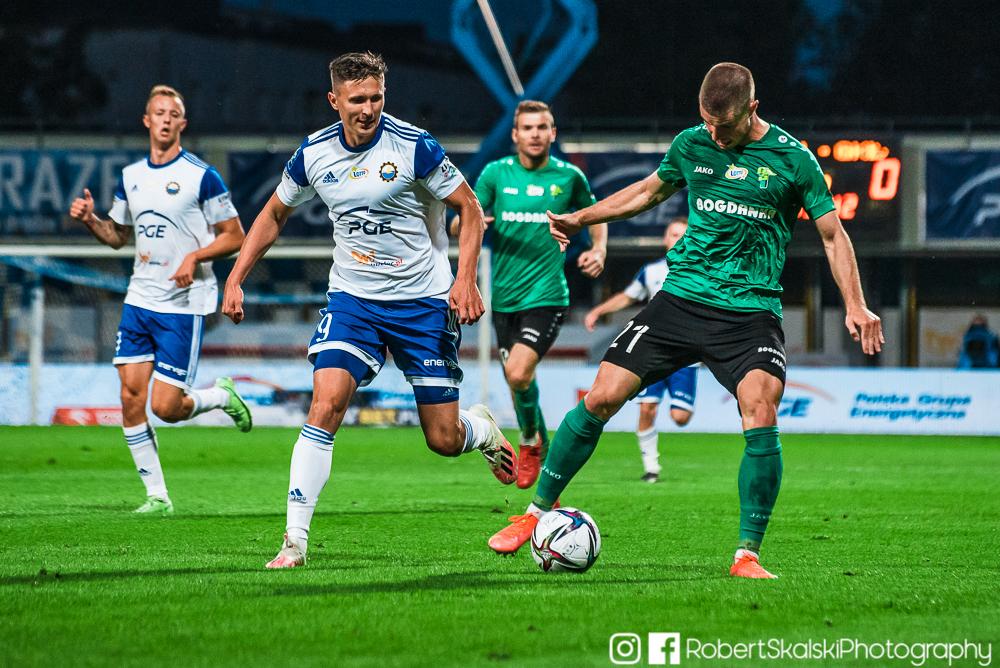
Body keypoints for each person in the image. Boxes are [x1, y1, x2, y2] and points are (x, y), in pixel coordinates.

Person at [488, 62, 884, 578]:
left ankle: (746, 555)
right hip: (680, 301)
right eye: (707, 123)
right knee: (602, 396)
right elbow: (646, 192)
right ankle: (534, 513)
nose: (714, 135)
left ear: (752, 109)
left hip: (749, 311)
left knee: (761, 411)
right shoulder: (692, 143)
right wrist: (580, 218)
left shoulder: (793, 159)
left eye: (725, 125)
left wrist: (855, 303)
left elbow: (833, 236)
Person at [222, 52, 517, 569]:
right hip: (353, 300)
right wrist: (235, 277)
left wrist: (465, 279)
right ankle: (295, 541)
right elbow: (273, 213)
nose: (368, 109)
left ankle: (481, 430)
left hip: (422, 303)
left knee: (443, 439)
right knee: (325, 405)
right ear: (334, 100)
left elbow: (469, 207)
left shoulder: (414, 146)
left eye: (376, 97)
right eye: (357, 100)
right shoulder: (313, 154)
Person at [68, 84, 253, 515]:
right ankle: (157, 496)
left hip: (183, 304)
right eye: (159, 113)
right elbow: (118, 237)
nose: (166, 119)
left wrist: (194, 256)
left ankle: (221, 397)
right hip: (140, 299)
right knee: (130, 398)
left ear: (182, 124)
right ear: (147, 121)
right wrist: (91, 220)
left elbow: (235, 236)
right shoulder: (131, 176)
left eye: (173, 114)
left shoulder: (202, 176)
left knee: (166, 408)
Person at [451, 100, 607, 489]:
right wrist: (471, 223)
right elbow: (460, 221)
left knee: (518, 371)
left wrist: (598, 249)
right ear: (515, 135)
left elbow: (596, 214)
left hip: (547, 295)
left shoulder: (569, 177)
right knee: (518, 379)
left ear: (553, 133)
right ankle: (540, 444)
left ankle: (528, 441)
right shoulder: (495, 174)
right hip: (505, 299)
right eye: (528, 128)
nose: (535, 134)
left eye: (542, 127)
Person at [584, 218, 695, 483]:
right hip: (654, 350)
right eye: (673, 234)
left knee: (680, 417)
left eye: (683, 235)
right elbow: (628, 296)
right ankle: (651, 468)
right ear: (665, 239)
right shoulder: (652, 271)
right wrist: (599, 310)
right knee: (647, 408)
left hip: (686, 354)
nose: (678, 240)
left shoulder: (700, 271)